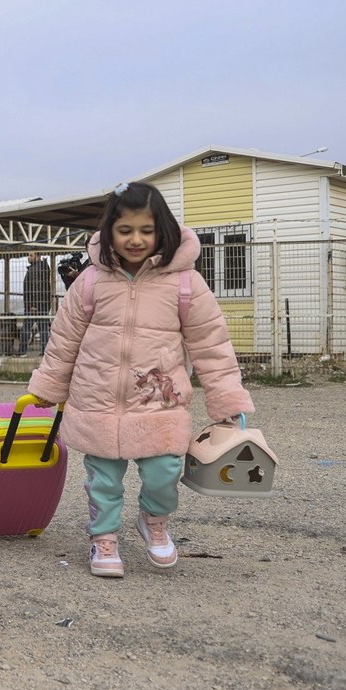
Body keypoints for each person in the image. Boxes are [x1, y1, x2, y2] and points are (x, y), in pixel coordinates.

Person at [28, 182, 254, 578]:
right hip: (97, 400)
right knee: (103, 479)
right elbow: (64, 340)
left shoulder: (186, 283)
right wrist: (48, 387)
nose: (136, 240)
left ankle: (153, 520)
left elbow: (211, 345)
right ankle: (103, 537)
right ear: (110, 230)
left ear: (162, 229)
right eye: (126, 230)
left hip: (159, 402)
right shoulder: (90, 281)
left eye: (146, 231)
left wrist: (227, 400)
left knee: (165, 472)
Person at [17, 251, 52, 356]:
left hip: (34, 305)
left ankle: (22, 351)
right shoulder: (42, 268)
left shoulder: (35, 270)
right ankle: (45, 352)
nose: (28, 257)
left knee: (26, 328)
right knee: (43, 329)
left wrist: (33, 305)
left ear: (37, 256)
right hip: (43, 304)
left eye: (31, 255)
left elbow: (35, 289)